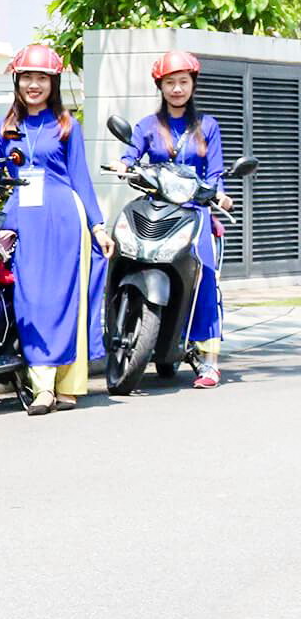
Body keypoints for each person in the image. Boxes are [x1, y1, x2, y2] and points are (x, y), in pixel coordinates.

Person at [0, 43, 110, 416]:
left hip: (64, 219)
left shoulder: (67, 125)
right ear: (17, 81)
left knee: (66, 300)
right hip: (23, 221)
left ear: (53, 83)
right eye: (27, 77)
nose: (34, 85)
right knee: (31, 300)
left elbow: (81, 179)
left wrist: (98, 226)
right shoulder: (4, 129)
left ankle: (67, 386)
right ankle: (42, 387)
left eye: (41, 78)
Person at [113, 50, 232, 387]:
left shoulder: (207, 126)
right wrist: (123, 164)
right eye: (170, 83)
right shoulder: (147, 126)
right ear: (160, 86)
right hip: (156, 207)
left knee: (205, 276)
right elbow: (130, 154)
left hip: (194, 212)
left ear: (193, 84)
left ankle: (209, 361)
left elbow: (215, 173)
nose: (177, 89)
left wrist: (220, 195)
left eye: (183, 82)